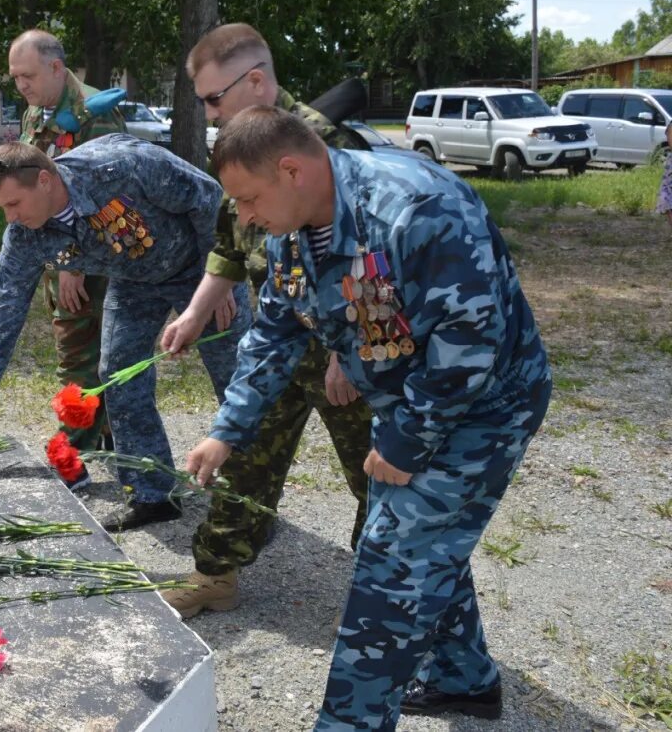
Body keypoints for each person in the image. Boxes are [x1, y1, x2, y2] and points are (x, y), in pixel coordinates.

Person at [185, 105, 552, 729]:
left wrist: (408, 442)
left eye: (247, 199)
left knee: (391, 563)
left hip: (486, 407)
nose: (242, 217)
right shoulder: (290, 233)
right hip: (407, 403)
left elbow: (470, 341)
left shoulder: (417, 209)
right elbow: (274, 334)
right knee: (423, 545)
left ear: (291, 170)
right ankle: (466, 680)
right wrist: (227, 429)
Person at [157, 23, 373, 619]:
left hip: (344, 353)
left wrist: (345, 352)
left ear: (255, 81)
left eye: (213, 99)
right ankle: (215, 574)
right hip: (278, 344)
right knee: (242, 456)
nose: (207, 112)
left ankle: (385, 593)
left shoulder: (329, 147)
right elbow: (231, 245)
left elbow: (368, 258)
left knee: (373, 474)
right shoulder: (240, 148)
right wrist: (198, 312)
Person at [0, 136, 248, 532]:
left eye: (14, 205)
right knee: (119, 372)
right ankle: (152, 494)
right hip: (134, 278)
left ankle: (251, 498)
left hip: (200, 268)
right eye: (3, 209)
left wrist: (222, 278)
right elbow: (3, 313)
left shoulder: (121, 168)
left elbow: (209, 199)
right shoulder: (25, 236)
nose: (10, 219)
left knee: (237, 378)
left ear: (44, 180)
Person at [9, 30, 127, 485]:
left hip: (93, 264)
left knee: (78, 358)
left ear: (57, 68)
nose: (21, 85)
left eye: (28, 75)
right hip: (58, 260)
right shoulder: (35, 113)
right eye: (16, 77)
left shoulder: (96, 114)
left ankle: (71, 460)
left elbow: (105, 196)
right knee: (103, 360)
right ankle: (126, 450)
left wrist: (72, 264)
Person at [658, 122, 672, 229]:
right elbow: (666, 177)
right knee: (668, 210)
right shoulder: (670, 158)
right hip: (668, 190)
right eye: (669, 136)